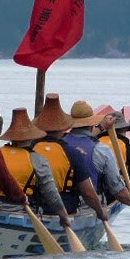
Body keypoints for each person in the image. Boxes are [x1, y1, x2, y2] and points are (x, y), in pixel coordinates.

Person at [32, 93, 109, 222]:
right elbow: (88, 194)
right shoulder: (73, 153)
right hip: (65, 209)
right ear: (63, 127)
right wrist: (101, 212)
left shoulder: (30, 150)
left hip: (33, 208)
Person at [67, 100, 130, 218]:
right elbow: (117, 190)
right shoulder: (101, 150)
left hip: (59, 204)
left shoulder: (60, 144)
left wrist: (101, 127)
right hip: (88, 206)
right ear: (91, 125)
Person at [0, 107, 72, 230]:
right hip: (25, 211)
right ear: (31, 137)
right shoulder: (38, 160)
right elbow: (51, 193)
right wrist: (63, 215)